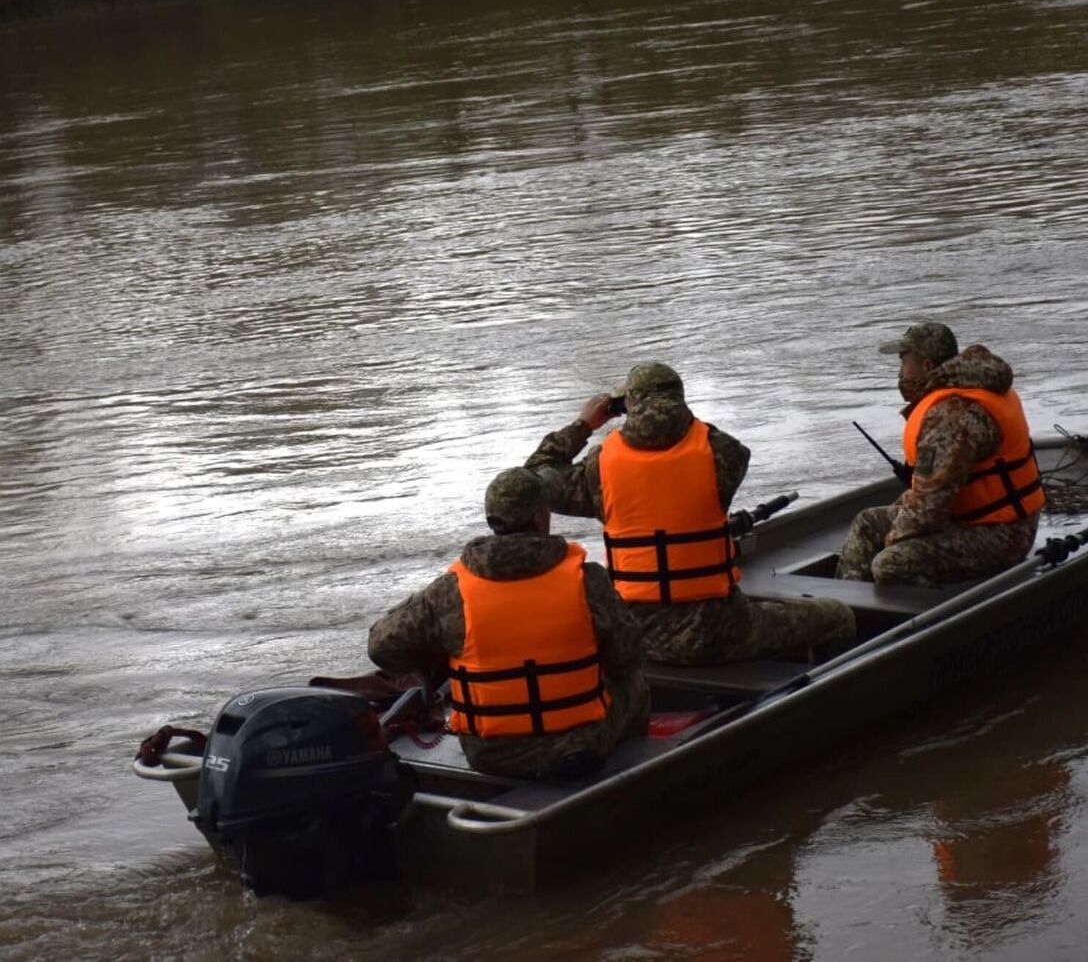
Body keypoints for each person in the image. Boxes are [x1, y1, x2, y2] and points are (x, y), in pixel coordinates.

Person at [524, 361, 856, 666]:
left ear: (627, 407)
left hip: (640, 636)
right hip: (720, 631)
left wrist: (583, 425)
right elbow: (710, 444)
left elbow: (533, 478)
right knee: (837, 616)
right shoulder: (721, 452)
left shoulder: (598, 469)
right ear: (681, 400)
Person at [367, 467, 649, 780]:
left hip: (489, 753)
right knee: (634, 682)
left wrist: (445, 657)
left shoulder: (450, 591)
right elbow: (628, 655)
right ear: (541, 517)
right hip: (576, 743)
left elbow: (382, 647)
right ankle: (636, 774)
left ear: (492, 520)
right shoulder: (587, 579)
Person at [837, 322, 1044, 586]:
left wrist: (891, 540)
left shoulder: (950, 416)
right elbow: (928, 496)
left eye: (904, 362)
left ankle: (909, 622)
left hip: (1002, 534)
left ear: (926, 366)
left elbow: (929, 512)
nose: (900, 372)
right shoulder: (963, 391)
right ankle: (846, 606)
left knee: (890, 563)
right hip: (973, 520)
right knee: (867, 524)